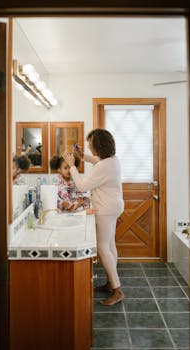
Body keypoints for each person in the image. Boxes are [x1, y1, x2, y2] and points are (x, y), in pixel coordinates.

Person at [63, 128, 124, 306]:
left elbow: (82, 186)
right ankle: (110, 282)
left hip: (105, 209)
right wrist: (82, 156)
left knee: (102, 247)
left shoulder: (104, 166)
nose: (89, 148)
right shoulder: (113, 160)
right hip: (114, 206)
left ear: (99, 146)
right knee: (110, 245)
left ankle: (117, 290)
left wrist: (72, 164)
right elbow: (96, 161)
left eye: (90, 145)